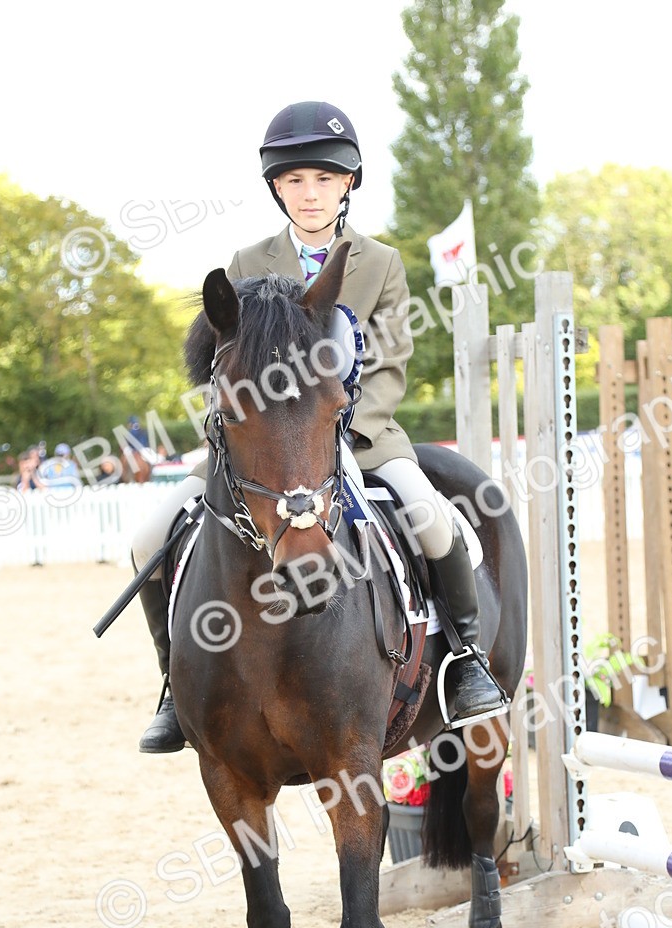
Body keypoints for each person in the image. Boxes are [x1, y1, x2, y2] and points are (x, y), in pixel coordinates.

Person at [132, 100, 506, 753]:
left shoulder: (382, 264)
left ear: (348, 185)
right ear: (277, 187)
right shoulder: (247, 262)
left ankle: (468, 659)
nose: (311, 194)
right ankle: (174, 681)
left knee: (431, 518)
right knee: (147, 537)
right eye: (296, 181)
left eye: (325, 180)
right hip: (261, 451)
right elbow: (224, 366)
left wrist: (338, 427)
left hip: (360, 438)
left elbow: (390, 365)